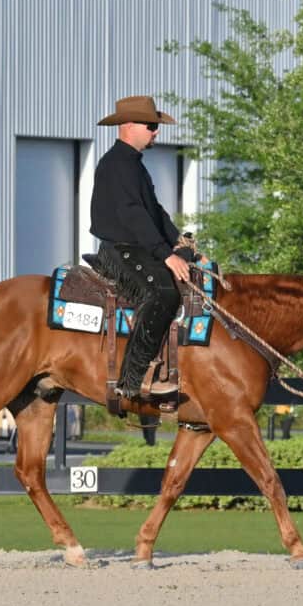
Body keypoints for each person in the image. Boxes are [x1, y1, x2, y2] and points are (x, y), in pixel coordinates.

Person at [90, 95, 192, 400]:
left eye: (156, 126)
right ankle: (133, 380)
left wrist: (182, 244)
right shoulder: (118, 164)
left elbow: (154, 211)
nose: (156, 132)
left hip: (134, 249)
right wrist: (166, 255)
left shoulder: (133, 165)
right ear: (129, 125)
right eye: (151, 126)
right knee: (163, 293)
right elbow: (132, 214)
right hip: (119, 250)